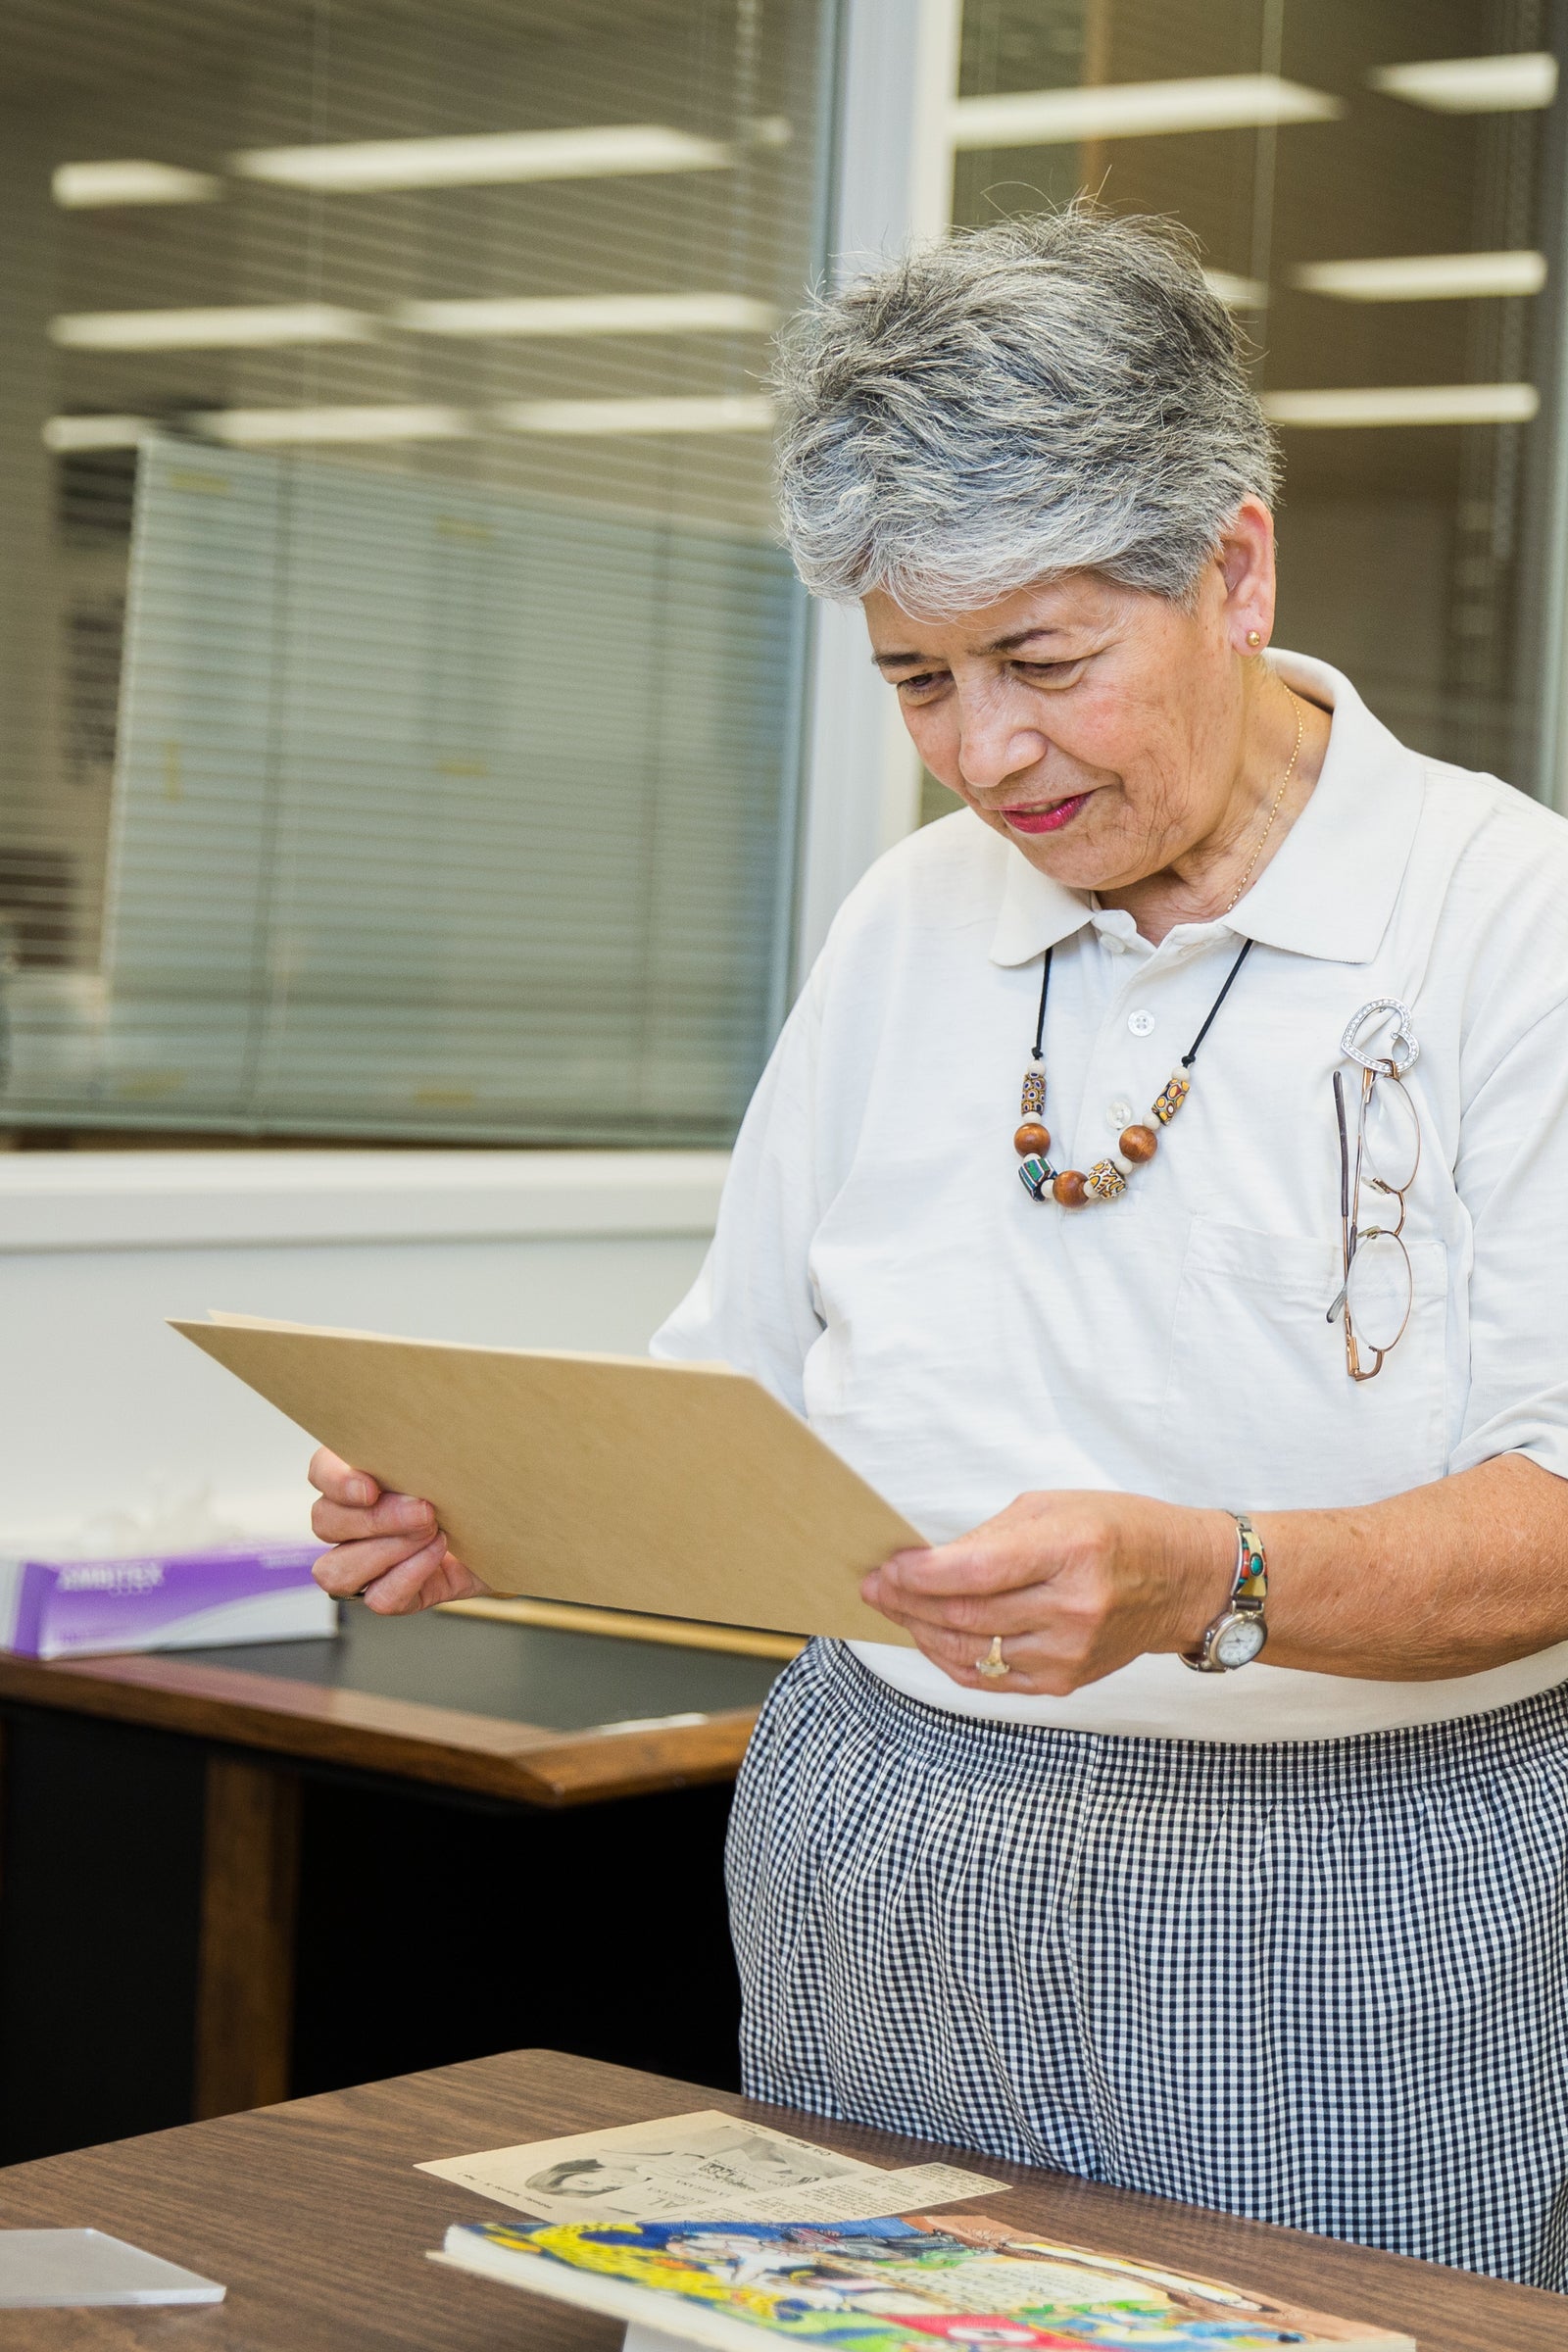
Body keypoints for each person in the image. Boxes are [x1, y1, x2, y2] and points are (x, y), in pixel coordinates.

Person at [308, 209, 1568, 2291]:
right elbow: (750, 1399)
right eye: (916, 675)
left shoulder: (1508, 925)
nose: (984, 755)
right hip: (882, 1830)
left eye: (1044, 662)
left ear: (1231, 572)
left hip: (1344, 1876)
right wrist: (500, 1511)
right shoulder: (910, 922)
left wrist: (1203, 1577)